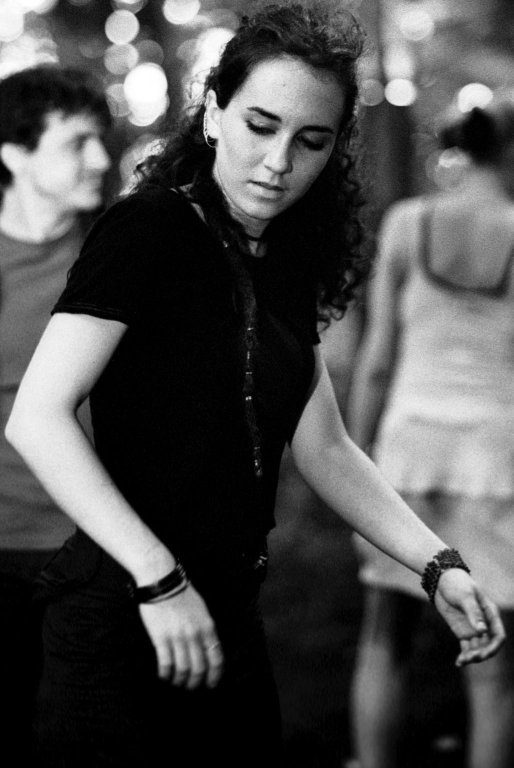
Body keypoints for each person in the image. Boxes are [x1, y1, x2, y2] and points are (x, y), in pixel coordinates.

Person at [5, 5, 505, 767]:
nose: (278, 161)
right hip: (126, 613)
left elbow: (326, 447)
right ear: (213, 113)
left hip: (231, 618)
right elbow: (38, 417)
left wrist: (438, 565)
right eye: (260, 126)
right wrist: (160, 581)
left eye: (310, 140)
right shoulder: (146, 230)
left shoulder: (286, 259)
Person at [348, 96, 514, 768]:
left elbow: (377, 360)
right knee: (494, 663)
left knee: (384, 636)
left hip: (407, 451)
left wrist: (352, 467)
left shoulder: (407, 224)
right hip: (493, 460)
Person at [0, 65, 111, 763]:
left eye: (101, 140)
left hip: (93, 547)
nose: (99, 159)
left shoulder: (113, 257)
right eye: (76, 143)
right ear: (14, 154)